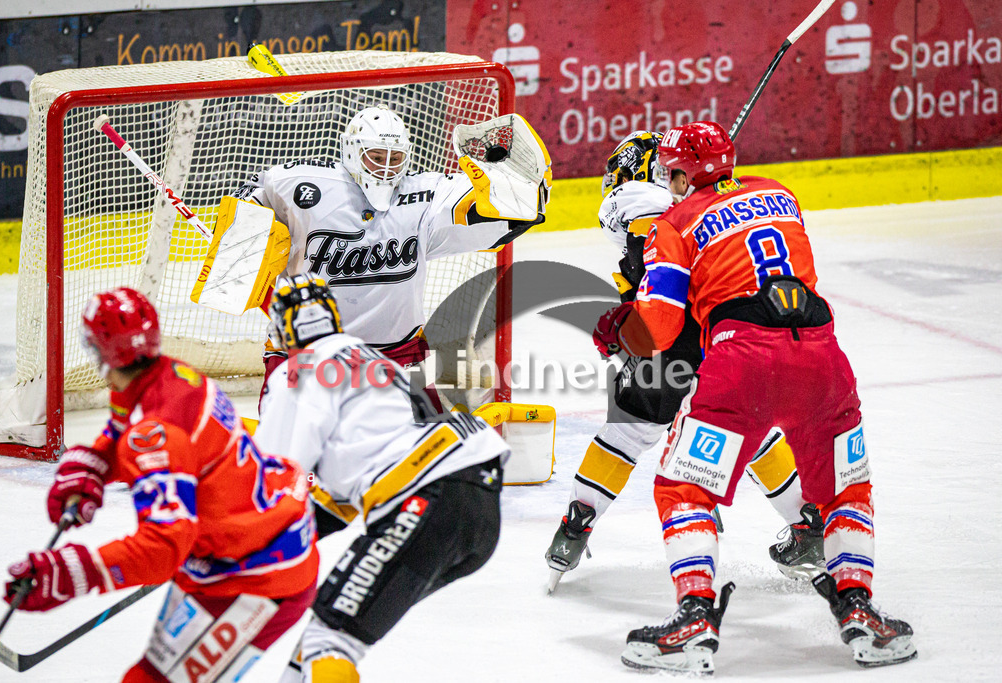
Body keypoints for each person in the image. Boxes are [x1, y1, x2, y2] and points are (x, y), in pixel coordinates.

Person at [591, 122, 916, 673]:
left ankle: (694, 613)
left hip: (740, 364)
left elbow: (661, 330)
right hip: (822, 358)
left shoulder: (674, 223)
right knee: (844, 488)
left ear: (674, 173)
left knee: (684, 489)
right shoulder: (781, 196)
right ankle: (859, 607)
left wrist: (621, 326)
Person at [544, 131, 824, 593]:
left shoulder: (629, 203)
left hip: (663, 338)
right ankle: (806, 525)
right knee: (750, 435)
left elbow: (652, 260)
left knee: (626, 432)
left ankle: (576, 525)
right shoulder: (693, 203)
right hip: (724, 337)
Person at [3, 287, 319, 682]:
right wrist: (96, 465)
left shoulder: (156, 433)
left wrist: (72, 572)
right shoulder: (166, 375)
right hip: (242, 546)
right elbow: (127, 426)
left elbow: (165, 546)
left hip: (258, 574)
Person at [253, 274, 510, 683]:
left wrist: (231, 547)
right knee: (329, 632)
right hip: (476, 502)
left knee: (331, 641)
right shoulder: (374, 361)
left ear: (283, 328)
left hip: (427, 500)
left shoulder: (296, 374)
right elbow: (352, 487)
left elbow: (273, 485)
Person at [234, 105, 550, 406]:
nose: (386, 167)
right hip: (306, 352)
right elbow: (243, 210)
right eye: (375, 156)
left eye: (395, 157)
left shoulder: (426, 193)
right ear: (351, 151)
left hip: (400, 355)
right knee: (289, 455)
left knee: (422, 454)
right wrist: (248, 235)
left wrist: (507, 184)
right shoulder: (297, 185)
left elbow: (521, 212)